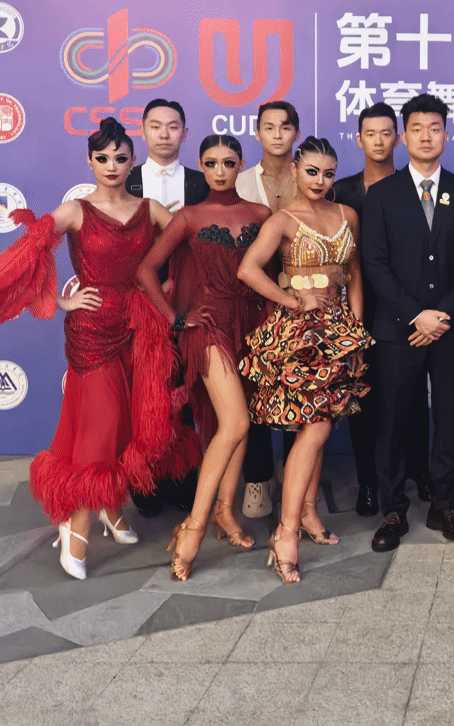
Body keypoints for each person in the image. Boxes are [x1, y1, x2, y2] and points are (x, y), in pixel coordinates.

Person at [0, 118, 175, 580]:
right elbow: (26, 253)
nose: (111, 165)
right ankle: (76, 528)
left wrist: (168, 291)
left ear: (133, 161)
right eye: (102, 158)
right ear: (90, 162)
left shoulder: (151, 210)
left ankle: (110, 508)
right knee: (100, 428)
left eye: (120, 158)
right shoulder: (76, 210)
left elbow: (189, 242)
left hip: (139, 329)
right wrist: (58, 300)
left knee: (127, 424)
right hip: (92, 332)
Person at [237, 136, 372, 583]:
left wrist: (356, 330)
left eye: (328, 173)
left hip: (339, 332)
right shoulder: (282, 219)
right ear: (294, 170)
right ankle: (287, 532)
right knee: (315, 428)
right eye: (312, 171)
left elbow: (354, 274)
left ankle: (309, 513)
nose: (320, 180)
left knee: (318, 426)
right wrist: (294, 300)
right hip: (300, 336)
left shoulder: (347, 214)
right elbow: (248, 270)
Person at [135, 134, 271, 580]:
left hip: (251, 326)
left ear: (241, 164)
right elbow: (145, 269)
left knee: (239, 420)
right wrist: (174, 318)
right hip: (208, 327)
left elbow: (269, 273)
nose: (219, 171)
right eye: (211, 163)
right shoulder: (189, 217)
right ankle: (193, 527)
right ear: (201, 164)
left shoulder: (261, 214)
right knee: (236, 422)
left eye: (228, 163)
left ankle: (225, 512)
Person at [360, 94, 454, 551]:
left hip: (451, 328)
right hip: (398, 328)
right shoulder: (382, 195)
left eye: (434, 128)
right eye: (416, 129)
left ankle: (443, 505)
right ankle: (393, 509)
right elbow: (375, 264)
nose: (426, 136)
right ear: (403, 136)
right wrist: (416, 315)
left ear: (446, 135)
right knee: (392, 419)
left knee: (448, 418)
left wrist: (441, 315)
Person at [332, 102, 432, 518]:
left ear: (399, 138)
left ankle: (420, 471)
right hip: (358, 307)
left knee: (413, 395)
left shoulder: (416, 185)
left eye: (386, 133)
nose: (378, 141)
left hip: (408, 308)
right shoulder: (341, 191)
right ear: (359, 139)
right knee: (365, 396)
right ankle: (369, 483)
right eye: (370, 134)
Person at [127, 98, 208, 519]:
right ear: (142, 131)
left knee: (185, 396)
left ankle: (183, 479)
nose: (164, 133)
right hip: (136, 308)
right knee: (143, 397)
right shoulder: (122, 180)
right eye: (155, 125)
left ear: (185, 133)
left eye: (173, 126)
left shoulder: (202, 183)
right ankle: (143, 481)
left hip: (189, 305)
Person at [233, 100, 301, 519]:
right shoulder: (239, 183)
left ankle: (294, 474)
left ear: (296, 133)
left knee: (299, 388)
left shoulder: (311, 178)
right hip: (250, 301)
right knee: (253, 388)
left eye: (285, 127)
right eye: (269, 127)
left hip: (301, 304)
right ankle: (258, 477)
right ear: (257, 132)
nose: (277, 134)